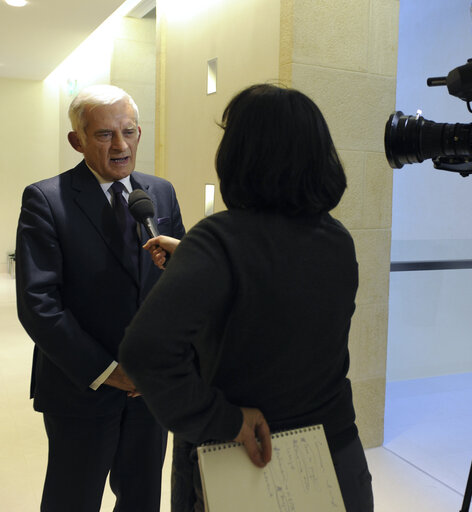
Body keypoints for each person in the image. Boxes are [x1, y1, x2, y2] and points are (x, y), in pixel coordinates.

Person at [119, 83, 374, 512]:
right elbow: (279, 300)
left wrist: (227, 420)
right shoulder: (336, 239)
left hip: (246, 457)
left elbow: (144, 352)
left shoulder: (218, 240)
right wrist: (200, 264)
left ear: (241, 154)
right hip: (334, 453)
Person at [15, 84, 186, 511]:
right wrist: (110, 371)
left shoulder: (159, 192)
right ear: (77, 141)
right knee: (73, 498)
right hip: (82, 385)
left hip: (148, 387)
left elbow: (179, 288)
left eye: (129, 132)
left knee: (143, 497)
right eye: (104, 134)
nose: (121, 145)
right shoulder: (46, 200)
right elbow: (39, 304)